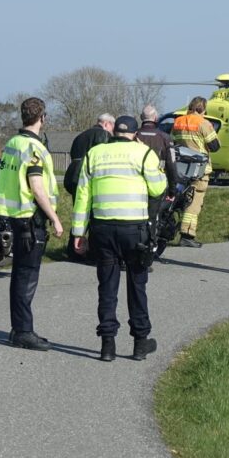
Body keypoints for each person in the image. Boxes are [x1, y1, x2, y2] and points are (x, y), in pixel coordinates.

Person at [72, 115, 167, 361]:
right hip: (134, 229)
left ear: (113, 131)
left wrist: (79, 232)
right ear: (135, 134)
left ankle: (107, 345)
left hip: (102, 229)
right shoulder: (144, 153)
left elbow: (83, 196)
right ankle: (140, 343)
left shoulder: (94, 154)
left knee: (107, 287)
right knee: (137, 285)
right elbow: (158, 188)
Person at [0, 97, 64, 350]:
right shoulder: (34, 148)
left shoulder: (13, 143)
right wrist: (55, 218)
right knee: (27, 277)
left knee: (20, 275)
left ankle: (18, 328)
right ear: (42, 118)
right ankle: (23, 331)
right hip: (30, 219)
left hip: (13, 217)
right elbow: (37, 187)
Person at [170, 96, 220, 247]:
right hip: (199, 169)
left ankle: (169, 228)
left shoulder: (178, 122)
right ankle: (187, 234)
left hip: (181, 169)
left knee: (179, 199)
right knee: (194, 202)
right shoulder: (203, 123)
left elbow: (172, 142)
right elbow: (215, 146)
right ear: (203, 109)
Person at [64, 113, 114, 259]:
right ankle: (92, 251)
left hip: (72, 175)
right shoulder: (103, 135)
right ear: (107, 124)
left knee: (79, 213)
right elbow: (102, 157)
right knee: (94, 215)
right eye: (112, 127)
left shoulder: (80, 136)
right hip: (86, 175)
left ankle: (73, 249)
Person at [136, 104, 179, 222]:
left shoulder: (134, 136)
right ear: (155, 118)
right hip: (157, 185)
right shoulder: (165, 138)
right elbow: (171, 165)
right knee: (153, 218)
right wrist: (172, 190)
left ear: (141, 117)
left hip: (136, 184)